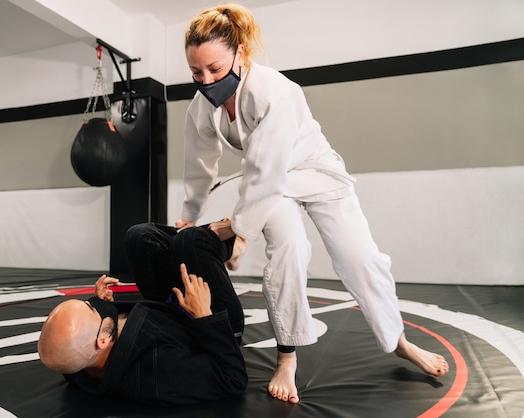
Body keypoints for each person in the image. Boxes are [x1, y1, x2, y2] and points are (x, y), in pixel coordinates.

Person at [176, 3, 449, 404]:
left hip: (314, 171)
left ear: (241, 53)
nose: (206, 80)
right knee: (290, 248)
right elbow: (200, 163)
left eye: (215, 69)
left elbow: (269, 168)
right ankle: (287, 357)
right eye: (197, 73)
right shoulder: (201, 108)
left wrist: (241, 234)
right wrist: (189, 215)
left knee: (360, 258)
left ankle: (399, 341)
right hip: (269, 185)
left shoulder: (276, 91)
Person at [38, 221, 247, 405]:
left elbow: (78, 343)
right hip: (212, 322)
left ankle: (218, 241)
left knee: (139, 237)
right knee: (191, 241)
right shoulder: (157, 373)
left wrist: (104, 306)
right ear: (102, 340)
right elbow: (233, 379)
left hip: (170, 311)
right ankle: (232, 247)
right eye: (92, 308)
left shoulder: (81, 362)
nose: (94, 303)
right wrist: (205, 316)